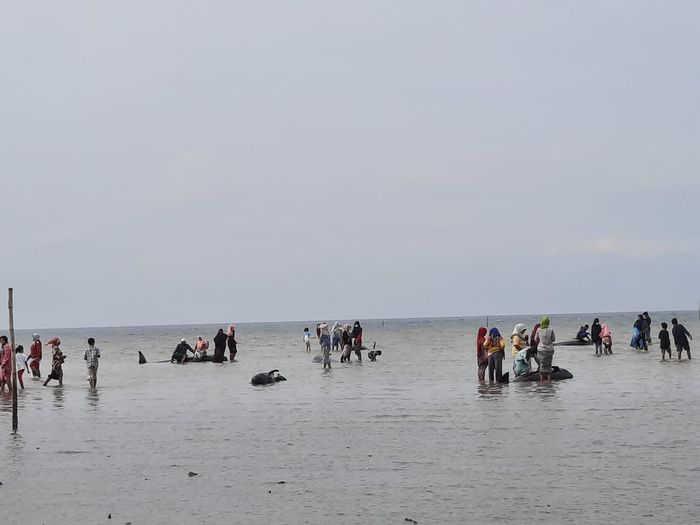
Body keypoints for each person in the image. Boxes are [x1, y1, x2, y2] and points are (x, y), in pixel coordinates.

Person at [535, 317, 555, 383]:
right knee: (549, 365)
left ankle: (542, 382)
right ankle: (549, 382)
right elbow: (553, 339)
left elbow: (536, 339)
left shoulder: (538, 329)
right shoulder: (551, 330)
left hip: (541, 349)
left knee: (541, 365)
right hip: (550, 349)